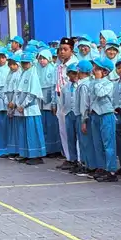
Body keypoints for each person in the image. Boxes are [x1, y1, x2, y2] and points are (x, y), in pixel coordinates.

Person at [90, 56, 118, 182]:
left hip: (106, 114)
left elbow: (100, 93)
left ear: (105, 72)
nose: (94, 70)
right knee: (97, 143)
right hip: (95, 114)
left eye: (97, 69)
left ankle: (111, 169)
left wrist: (98, 80)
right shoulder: (93, 82)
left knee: (108, 143)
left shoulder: (109, 83)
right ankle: (101, 167)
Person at [16, 54, 47, 164]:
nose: (24, 65)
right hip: (22, 108)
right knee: (25, 132)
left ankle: (36, 155)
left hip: (31, 109)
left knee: (33, 132)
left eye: (26, 62)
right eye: (23, 63)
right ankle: (27, 153)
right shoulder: (24, 73)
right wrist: (18, 104)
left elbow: (32, 93)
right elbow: (18, 91)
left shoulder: (33, 74)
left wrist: (23, 105)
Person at [55, 38, 79, 166]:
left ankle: (77, 159)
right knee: (63, 130)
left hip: (72, 100)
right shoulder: (59, 66)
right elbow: (57, 84)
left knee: (74, 131)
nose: (62, 52)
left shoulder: (76, 64)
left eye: (65, 49)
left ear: (72, 50)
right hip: (60, 99)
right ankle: (69, 157)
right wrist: (55, 101)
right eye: (61, 49)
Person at [37, 49, 61, 157]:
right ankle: (45, 147)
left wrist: (53, 102)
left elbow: (53, 86)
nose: (42, 61)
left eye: (44, 58)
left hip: (50, 98)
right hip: (40, 99)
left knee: (51, 125)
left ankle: (54, 149)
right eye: (40, 58)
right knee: (42, 124)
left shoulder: (52, 69)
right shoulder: (36, 69)